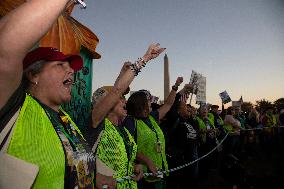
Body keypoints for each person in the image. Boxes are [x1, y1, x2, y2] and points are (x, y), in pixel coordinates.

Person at [0, 0, 98, 188]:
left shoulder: (65, 119)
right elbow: (4, 48)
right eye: (60, 65)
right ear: (33, 75)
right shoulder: (15, 108)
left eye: (70, 67)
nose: (71, 71)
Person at [87, 43, 166, 189]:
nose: (125, 100)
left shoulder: (121, 129)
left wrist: (136, 166)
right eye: (121, 98)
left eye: (124, 97)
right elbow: (117, 90)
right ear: (104, 103)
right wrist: (145, 58)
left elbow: (126, 158)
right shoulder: (97, 124)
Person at [123, 77, 186, 189]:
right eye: (148, 100)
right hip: (143, 177)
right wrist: (148, 162)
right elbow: (128, 148)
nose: (151, 102)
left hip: (159, 172)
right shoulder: (130, 121)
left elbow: (168, 105)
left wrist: (176, 86)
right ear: (140, 104)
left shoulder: (152, 117)